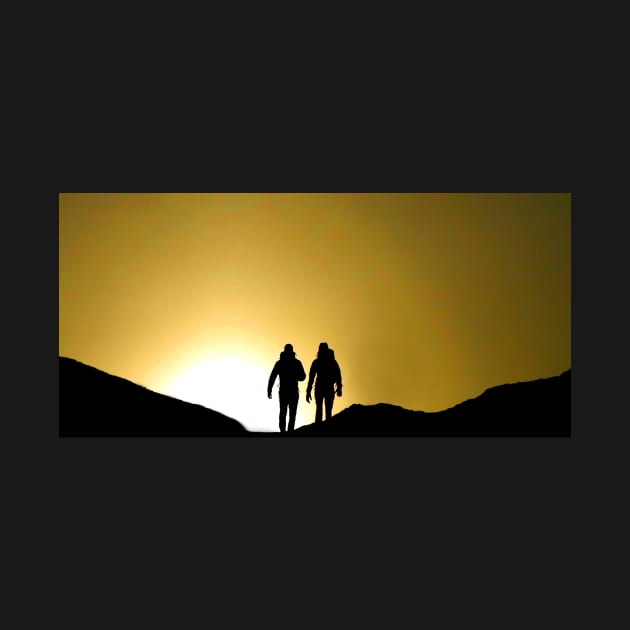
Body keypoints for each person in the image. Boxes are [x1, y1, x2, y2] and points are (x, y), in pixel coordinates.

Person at [267, 343, 306, 433]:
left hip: (286, 391)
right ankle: (287, 432)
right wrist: (269, 389)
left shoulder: (280, 363)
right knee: (289, 413)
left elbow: (272, 377)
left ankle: (284, 432)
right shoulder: (296, 363)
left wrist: (269, 390)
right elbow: (303, 376)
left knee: (284, 412)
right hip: (291, 391)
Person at [306, 342, 343, 423]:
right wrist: (339, 388)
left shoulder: (317, 362)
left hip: (323, 387)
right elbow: (338, 375)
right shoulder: (332, 362)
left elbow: (311, 378)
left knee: (322, 410)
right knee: (324, 410)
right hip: (326, 387)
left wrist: (308, 391)